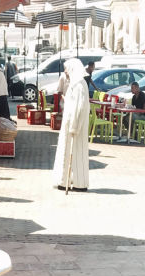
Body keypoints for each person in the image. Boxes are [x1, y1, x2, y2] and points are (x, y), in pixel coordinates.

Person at [52, 57, 90, 192]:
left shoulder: (79, 85)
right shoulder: (75, 84)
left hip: (75, 126)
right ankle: (65, 180)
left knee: (76, 152)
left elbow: (79, 107)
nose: (66, 72)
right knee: (66, 152)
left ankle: (79, 183)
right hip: (69, 124)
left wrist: (74, 125)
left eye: (66, 69)